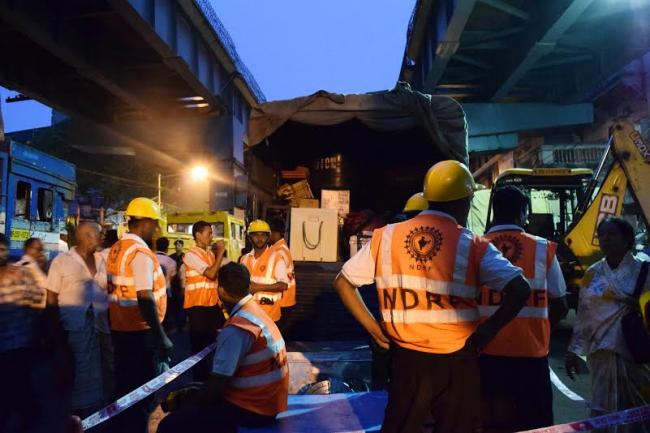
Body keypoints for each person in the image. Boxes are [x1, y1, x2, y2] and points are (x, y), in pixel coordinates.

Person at [334, 160, 531, 433]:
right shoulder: (473, 244)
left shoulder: (387, 237)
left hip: (406, 361)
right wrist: (486, 333)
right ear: (465, 201)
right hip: (458, 361)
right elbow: (520, 289)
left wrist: (375, 330)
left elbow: (343, 283)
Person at [156, 262, 288, 433]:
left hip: (252, 410)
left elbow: (217, 386)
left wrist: (192, 401)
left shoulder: (237, 328)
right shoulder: (255, 312)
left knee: (168, 426)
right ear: (248, 286)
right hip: (268, 404)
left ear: (221, 291)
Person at [478, 186, 569, 432]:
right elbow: (560, 304)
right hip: (531, 356)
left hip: (485, 354)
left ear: (495, 211)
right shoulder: (542, 248)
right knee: (535, 423)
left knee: (493, 424)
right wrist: (538, 329)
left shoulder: (475, 246)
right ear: (522, 212)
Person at [565, 217, 650, 432]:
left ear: (627, 239)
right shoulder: (592, 273)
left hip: (634, 352)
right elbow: (583, 314)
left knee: (638, 413)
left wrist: (639, 306)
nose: (605, 239)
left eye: (612, 234)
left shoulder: (644, 271)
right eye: (601, 235)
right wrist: (573, 351)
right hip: (600, 352)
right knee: (602, 411)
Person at [106, 197, 171, 432]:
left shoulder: (118, 248)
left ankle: (116, 428)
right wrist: (161, 336)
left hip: (120, 328)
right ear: (145, 223)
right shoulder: (139, 252)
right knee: (140, 395)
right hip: (139, 333)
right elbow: (144, 296)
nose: (156, 230)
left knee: (124, 389)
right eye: (155, 224)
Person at [0, 233, 69, 433]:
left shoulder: (21, 273)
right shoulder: (21, 273)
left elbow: (39, 302)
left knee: (18, 391)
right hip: (19, 345)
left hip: (18, 346)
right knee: (19, 392)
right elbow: (39, 303)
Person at [46, 222, 110, 415]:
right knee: (74, 371)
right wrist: (55, 332)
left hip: (99, 327)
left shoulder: (101, 260)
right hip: (72, 328)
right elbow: (51, 297)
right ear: (87, 236)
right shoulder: (62, 261)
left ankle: (90, 414)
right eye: (99, 234)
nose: (103, 237)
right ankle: (72, 415)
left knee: (95, 373)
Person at [183, 221, 228, 381]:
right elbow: (210, 273)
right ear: (198, 235)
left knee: (211, 346)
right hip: (198, 307)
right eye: (209, 233)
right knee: (199, 349)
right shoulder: (191, 255)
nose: (211, 236)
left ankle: (209, 380)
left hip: (211, 306)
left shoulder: (209, 254)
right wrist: (220, 252)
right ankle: (199, 382)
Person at [240, 220, 289, 323]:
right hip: (249, 315)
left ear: (268, 237)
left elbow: (283, 285)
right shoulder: (244, 259)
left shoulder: (276, 258)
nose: (259, 238)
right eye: (256, 235)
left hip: (269, 316)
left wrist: (257, 288)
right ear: (249, 238)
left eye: (263, 235)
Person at [269, 216, 297, 334]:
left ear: (275, 233)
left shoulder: (278, 252)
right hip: (287, 299)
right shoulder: (282, 248)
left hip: (282, 300)